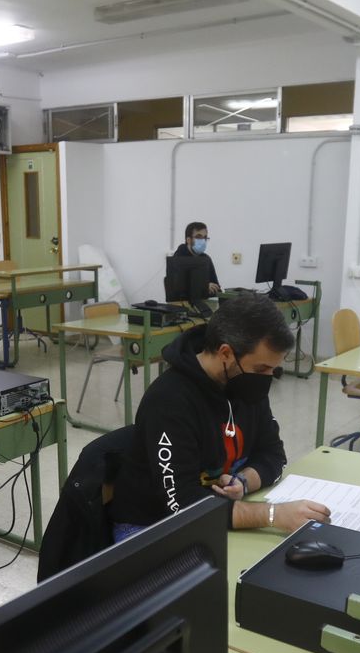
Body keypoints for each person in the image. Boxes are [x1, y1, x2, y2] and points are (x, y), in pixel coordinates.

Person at [109, 294, 329, 537]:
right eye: (261, 368)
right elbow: (182, 504)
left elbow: (274, 454)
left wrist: (243, 482)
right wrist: (272, 515)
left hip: (214, 512)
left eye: (273, 369)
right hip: (150, 526)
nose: (268, 377)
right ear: (225, 353)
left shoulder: (244, 383)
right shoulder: (169, 400)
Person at [174, 221, 222, 294]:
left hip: (204, 301)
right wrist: (203, 286)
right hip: (181, 302)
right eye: (198, 237)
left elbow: (215, 285)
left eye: (205, 237)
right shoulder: (178, 257)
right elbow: (176, 286)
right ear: (188, 240)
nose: (203, 241)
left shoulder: (206, 259)